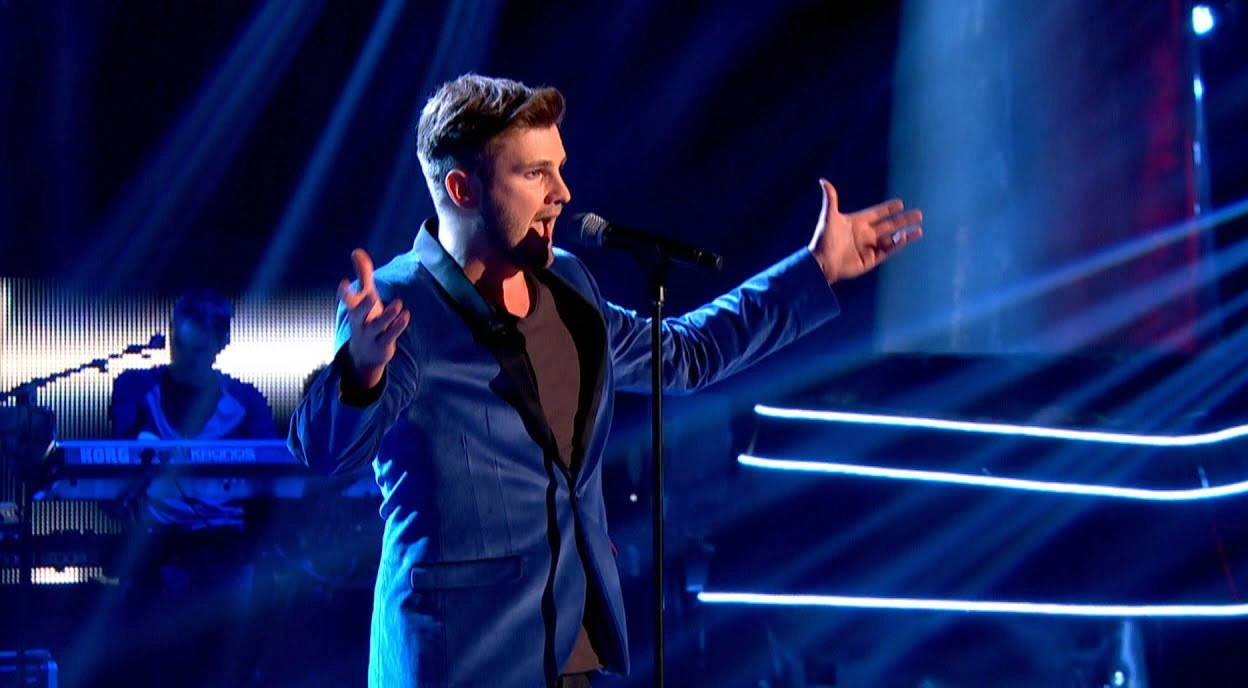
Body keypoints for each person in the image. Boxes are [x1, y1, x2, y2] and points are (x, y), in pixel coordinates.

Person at [288, 73, 922, 687]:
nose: (562, 193)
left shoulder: (568, 284)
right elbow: (327, 453)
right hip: (463, 657)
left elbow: (686, 353)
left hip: (571, 645)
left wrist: (815, 270)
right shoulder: (401, 305)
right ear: (462, 188)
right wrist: (362, 369)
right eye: (535, 173)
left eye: (559, 168)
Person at [105, 288, 278, 687]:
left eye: (196, 351)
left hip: (224, 553)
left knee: (225, 668)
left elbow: (273, 474)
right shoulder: (137, 388)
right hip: (156, 553)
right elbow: (120, 454)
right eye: (176, 345)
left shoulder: (246, 402)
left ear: (221, 344)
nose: (182, 359)